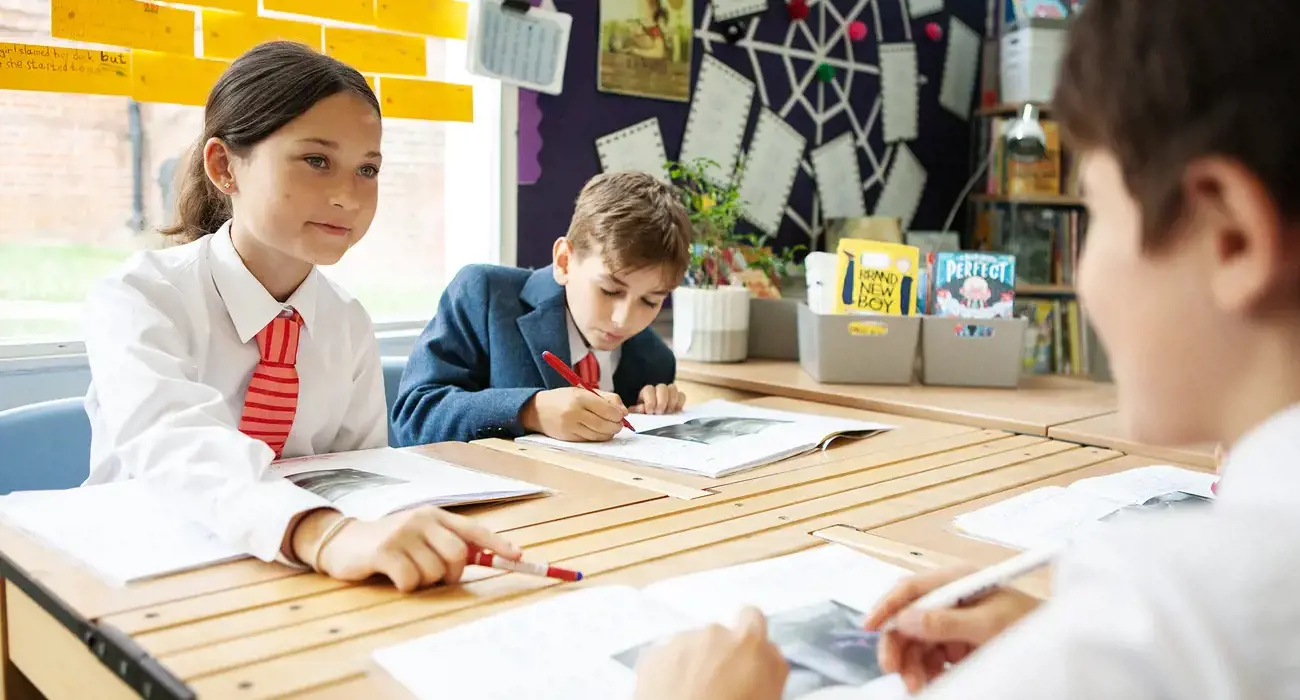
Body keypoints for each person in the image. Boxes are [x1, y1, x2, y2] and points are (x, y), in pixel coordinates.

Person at [633, 0, 1300, 696]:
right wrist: (1051, 639)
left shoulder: (1160, 625)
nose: (1079, 274)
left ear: (1233, 238)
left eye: (1097, 210)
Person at [82, 40, 519, 594]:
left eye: (368, 168)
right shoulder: (140, 296)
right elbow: (177, 444)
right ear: (224, 167)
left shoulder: (346, 322)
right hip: (140, 569)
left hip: (295, 577)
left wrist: (403, 532)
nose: (347, 195)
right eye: (317, 160)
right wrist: (323, 535)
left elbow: (367, 478)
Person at [391, 171, 692, 446]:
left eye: (651, 301)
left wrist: (657, 411)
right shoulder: (484, 294)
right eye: (610, 290)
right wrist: (530, 411)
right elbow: (414, 416)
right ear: (564, 261)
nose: (623, 319)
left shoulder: (654, 360)